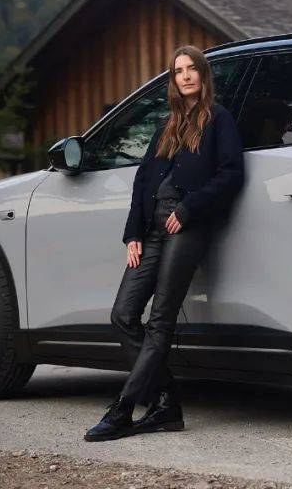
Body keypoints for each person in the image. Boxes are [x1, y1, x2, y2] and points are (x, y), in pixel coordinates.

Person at [84, 45, 245, 441]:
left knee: (160, 320)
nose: (185, 76)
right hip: (152, 229)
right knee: (123, 315)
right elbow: (142, 182)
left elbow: (231, 174)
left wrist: (189, 209)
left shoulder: (219, 120)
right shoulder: (167, 125)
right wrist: (133, 234)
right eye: (178, 71)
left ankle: (123, 409)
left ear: (203, 75)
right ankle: (166, 401)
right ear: (173, 79)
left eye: (192, 69)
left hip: (186, 226)